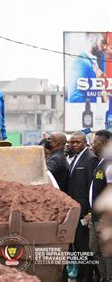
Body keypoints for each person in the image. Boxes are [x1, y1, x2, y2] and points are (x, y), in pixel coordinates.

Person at [67, 131, 100, 281]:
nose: (74, 145)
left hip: (84, 212)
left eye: (77, 142)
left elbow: (91, 187)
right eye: (72, 142)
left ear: (85, 142)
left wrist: (89, 212)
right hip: (75, 210)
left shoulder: (90, 159)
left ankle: (87, 277)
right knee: (79, 247)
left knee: (85, 248)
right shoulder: (75, 158)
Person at [88, 130, 112, 281]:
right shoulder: (101, 162)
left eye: (95, 141)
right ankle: (103, 277)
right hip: (94, 216)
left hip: (104, 218)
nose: (92, 144)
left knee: (107, 253)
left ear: (103, 143)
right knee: (94, 250)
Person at [68, 32, 107, 103]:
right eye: (103, 42)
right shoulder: (80, 63)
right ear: (92, 38)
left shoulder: (94, 62)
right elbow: (74, 99)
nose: (105, 47)